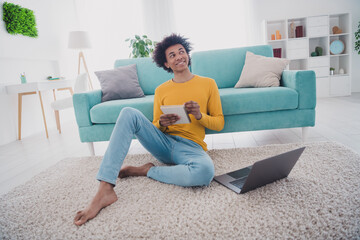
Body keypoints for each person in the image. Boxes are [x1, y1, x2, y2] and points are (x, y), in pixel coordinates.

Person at [74, 34, 224, 226]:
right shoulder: (161, 90)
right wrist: (162, 123)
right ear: (167, 64)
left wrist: (200, 116)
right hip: (164, 143)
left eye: (181, 52)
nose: (179, 56)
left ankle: (147, 171)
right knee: (128, 112)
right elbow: (153, 126)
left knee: (205, 172)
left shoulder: (208, 83)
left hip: (192, 148)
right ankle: (105, 188)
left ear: (187, 55)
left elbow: (219, 123)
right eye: (172, 55)